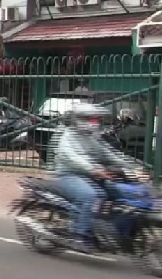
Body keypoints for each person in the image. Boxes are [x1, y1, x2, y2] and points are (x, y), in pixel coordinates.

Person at [52, 102, 138, 251]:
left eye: (96, 120)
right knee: (90, 195)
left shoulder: (91, 138)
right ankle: (80, 236)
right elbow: (73, 158)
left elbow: (108, 154)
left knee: (121, 193)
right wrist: (93, 169)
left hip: (91, 175)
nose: (95, 123)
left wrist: (134, 166)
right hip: (70, 175)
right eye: (91, 119)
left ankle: (106, 228)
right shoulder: (67, 138)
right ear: (79, 119)